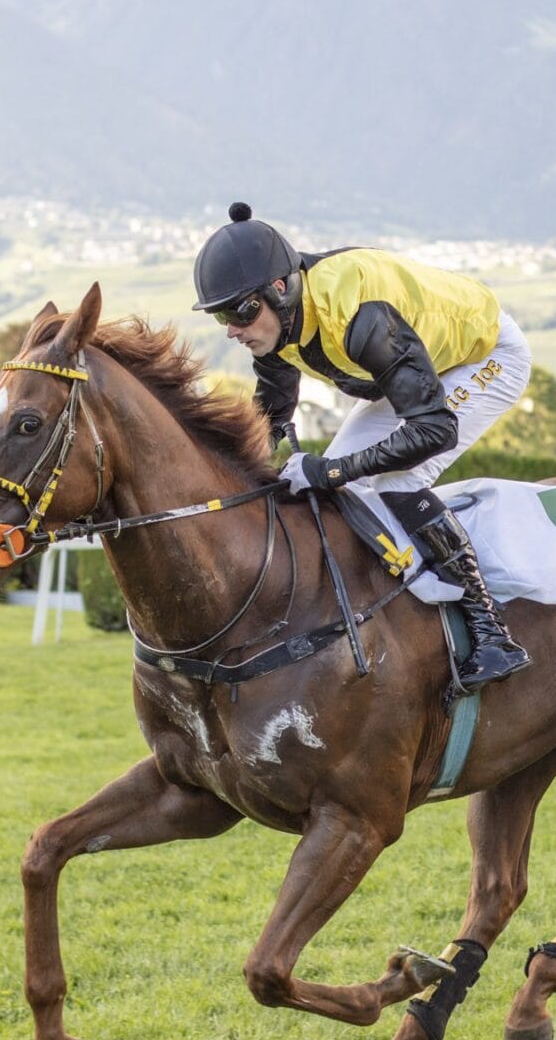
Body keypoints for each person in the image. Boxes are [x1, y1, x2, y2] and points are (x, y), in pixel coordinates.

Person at [191, 203, 532, 689]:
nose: (232, 329)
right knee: (333, 483)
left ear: (279, 289)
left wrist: (330, 472)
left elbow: (434, 430)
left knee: (395, 478)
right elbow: (271, 413)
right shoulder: (279, 324)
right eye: (221, 315)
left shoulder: (359, 315)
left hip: (483, 355)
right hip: (415, 366)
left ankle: (491, 629)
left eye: (239, 311)